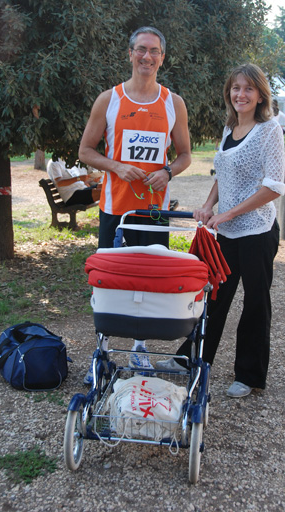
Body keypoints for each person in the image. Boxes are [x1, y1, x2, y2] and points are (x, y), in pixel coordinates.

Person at [156, 63, 285, 398]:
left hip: (257, 232)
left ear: (260, 95)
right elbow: (223, 174)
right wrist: (210, 205)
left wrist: (228, 213)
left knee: (256, 303)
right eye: (235, 88)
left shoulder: (269, 129)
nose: (240, 94)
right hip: (227, 233)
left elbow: (274, 187)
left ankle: (250, 375)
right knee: (213, 298)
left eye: (248, 89)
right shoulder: (230, 128)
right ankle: (191, 359)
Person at [79, 26, 191, 376]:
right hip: (116, 209)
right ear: (130, 54)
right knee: (110, 283)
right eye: (141, 49)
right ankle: (102, 353)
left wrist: (168, 172)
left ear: (162, 57)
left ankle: (139, 349)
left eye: (154, 51)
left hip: (154, 212)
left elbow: (185, 155)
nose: (147, 56)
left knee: (149, 282)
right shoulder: (108, 100)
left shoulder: (173, 103)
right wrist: (116, 166)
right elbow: (85, 150)